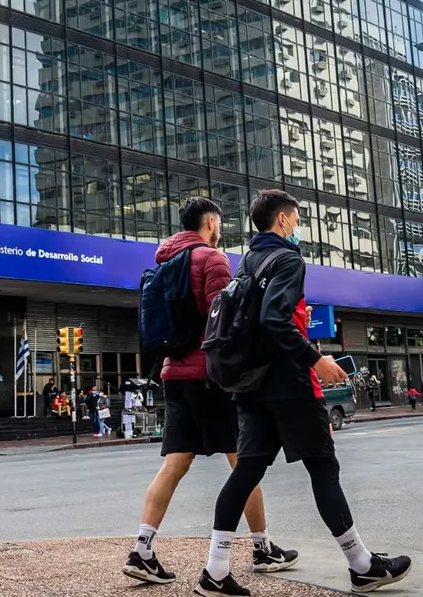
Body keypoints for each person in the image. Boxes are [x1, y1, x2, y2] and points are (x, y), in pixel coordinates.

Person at [195, 190, 410, 596]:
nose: (297, 225)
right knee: (323, 469)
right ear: (281, 220)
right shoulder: (289, 259)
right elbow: (274, 321)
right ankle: (361, 565)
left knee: (246, 473)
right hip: (290, 386)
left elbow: (266, 319)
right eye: (295, 218)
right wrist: (316, 359)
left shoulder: (250, 262)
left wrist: (297, 320)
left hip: (251, 386)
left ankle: (216, 570)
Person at [124, 196, 298, 587]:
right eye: (219, 222)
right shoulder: (211, 259)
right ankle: (262, 547)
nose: (221, 229)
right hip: (210, 376)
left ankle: (142, 549)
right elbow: (224, 320)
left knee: (174, 464)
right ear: (210, 221)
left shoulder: (165, 260)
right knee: (245, 460)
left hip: (173, 373)